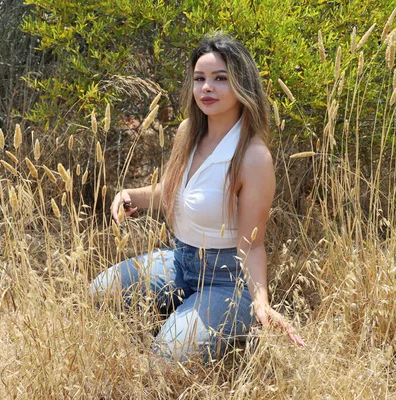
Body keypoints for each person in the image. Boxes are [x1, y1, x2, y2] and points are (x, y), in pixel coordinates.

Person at [90, 32, 305, 361]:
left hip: (226, 279)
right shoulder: (187, 132)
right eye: (199, 78)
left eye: (220, 79)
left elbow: (253, 243)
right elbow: (173, 192)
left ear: (240, 85)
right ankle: (179, 318)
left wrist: (261, 301)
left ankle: (223, 324)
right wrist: (130, 194)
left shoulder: (252, 156)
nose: (207, 87)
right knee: (99, 294)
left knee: (168, 358)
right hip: (180, 261)